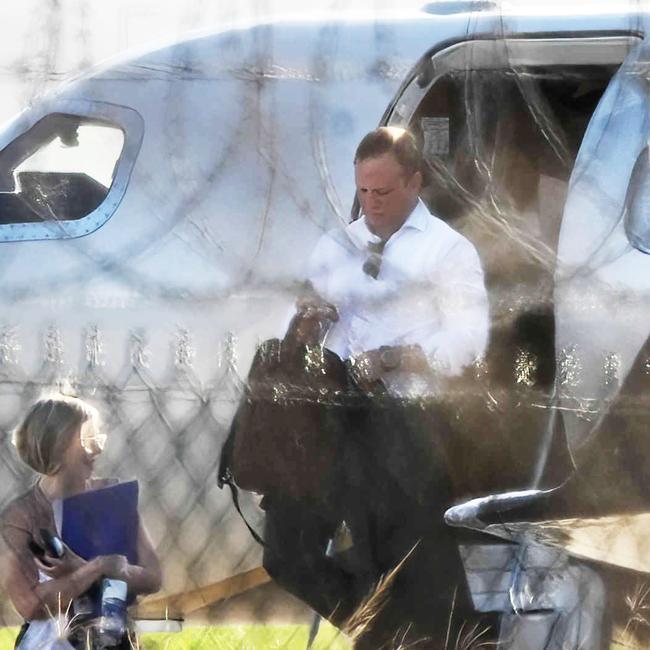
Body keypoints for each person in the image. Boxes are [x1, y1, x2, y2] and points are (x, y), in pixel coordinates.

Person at [263, 127, 491, 648]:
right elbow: (295, 322)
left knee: (399, 563)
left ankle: (402, 635)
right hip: (330, 422)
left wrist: (395, 357)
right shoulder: (334, 245)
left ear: (415, 183)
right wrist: (305, 326)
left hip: (406, 427)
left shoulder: (448, 252)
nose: (371, 203)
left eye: (383, 192)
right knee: (285, 553)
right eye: (364, 191)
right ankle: (386, 631)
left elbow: (468, 344)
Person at [0, 395, 162, 649]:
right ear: (57, 445)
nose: (98, 450)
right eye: (88, 440)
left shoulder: (113, 497)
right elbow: (31, 605)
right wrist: (97, 568)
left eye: (98, 438)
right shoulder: (22, 515)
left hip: (113, 637)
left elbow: (153, 578)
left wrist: (82, 569)